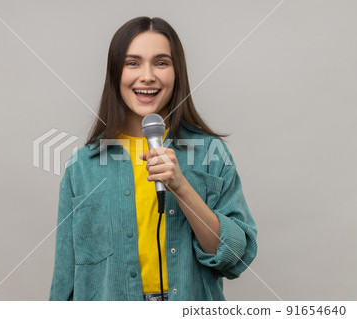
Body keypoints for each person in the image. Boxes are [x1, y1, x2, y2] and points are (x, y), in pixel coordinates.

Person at [49, 16, 257, 301]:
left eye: (161, 63)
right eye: (132, 63)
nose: (147, 76)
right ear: (115, 74)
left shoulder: (211, 154)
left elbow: (235, 258)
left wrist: (182, 187)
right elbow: (65, 279)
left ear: (177, 73)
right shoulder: (82, 167)